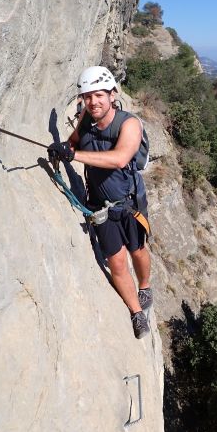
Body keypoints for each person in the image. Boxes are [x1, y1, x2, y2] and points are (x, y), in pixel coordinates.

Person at [48, 66, 152, 339]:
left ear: (112, 94)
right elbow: (72, 145)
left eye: (99, 95)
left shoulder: (129, 124)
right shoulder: (86, 120)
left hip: (130, 204)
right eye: (87, 96)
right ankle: (136, 313)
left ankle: (145, 285)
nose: (93, 102)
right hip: (100, 205)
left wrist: (75, 157)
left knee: (138, 251)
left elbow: (119, 158)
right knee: (117, 263)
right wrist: (63, 149)